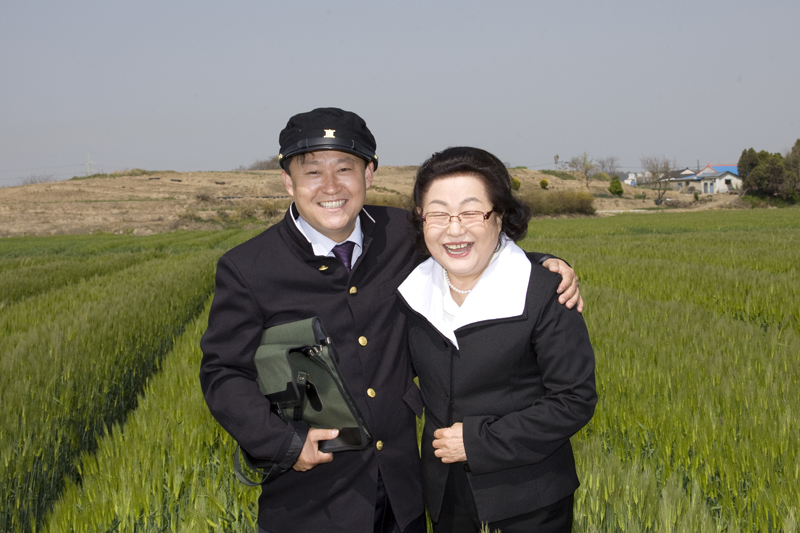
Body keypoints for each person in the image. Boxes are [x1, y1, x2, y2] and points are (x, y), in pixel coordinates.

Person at [199, 108, 582, 533]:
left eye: (345, 168)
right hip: (315, 500)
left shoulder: (402, 233)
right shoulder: (248, 267)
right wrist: (283, 444)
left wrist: (542, 264)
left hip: (406, 494)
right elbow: (223, 372)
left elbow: (469, 246)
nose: (330, 187)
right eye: (312, 172)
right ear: (288, 180)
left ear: (370, 173)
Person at [397, 146, 597, 533]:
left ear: (500, 216)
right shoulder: (411, 291)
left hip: (528, 497)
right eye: (437, 213)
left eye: (472, 211)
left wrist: (477, 441)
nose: (454, 229)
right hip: (444, 494)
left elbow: (574, 399)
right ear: (422, 220)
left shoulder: (544, 293)